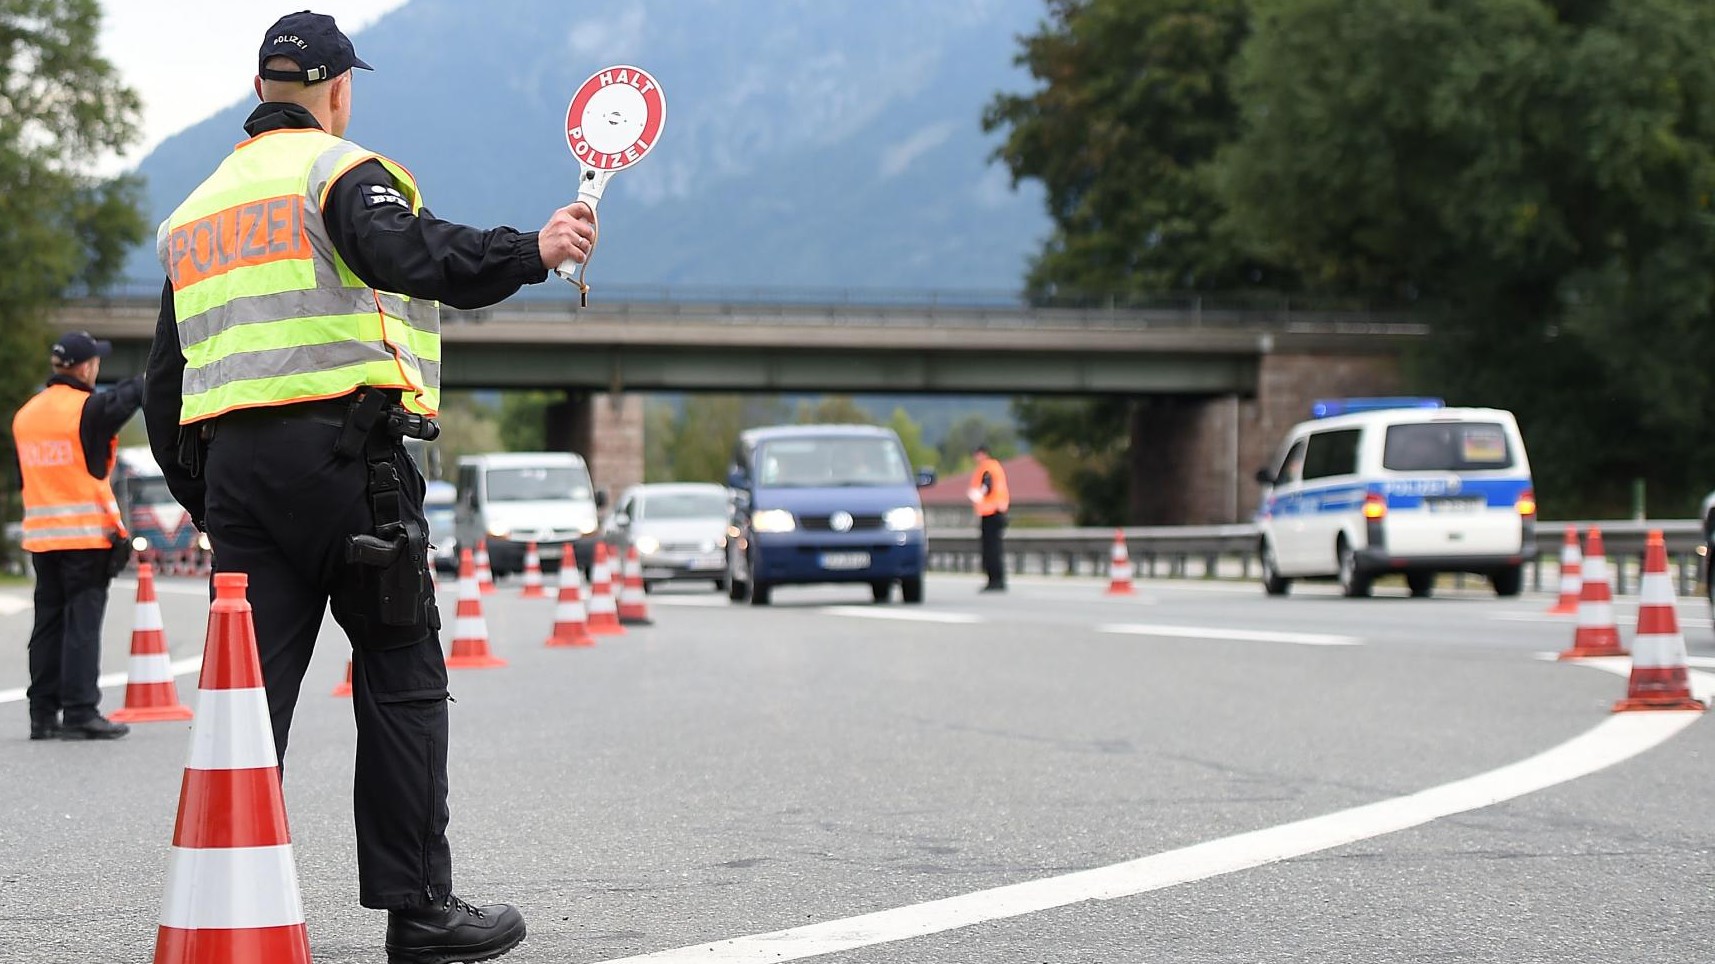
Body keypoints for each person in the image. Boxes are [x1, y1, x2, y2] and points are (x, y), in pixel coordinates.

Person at [141, 12, 597, 963]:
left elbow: (163, 380)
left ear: (260, 88)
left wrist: (208, 492)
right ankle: (419, 911)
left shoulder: (194, 213)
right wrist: (533, 250)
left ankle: (223, 907)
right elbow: (410, 255)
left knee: (246, 696)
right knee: (399, 679)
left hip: (240, 479)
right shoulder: (342, 170)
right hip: (355, 470)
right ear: (340, 89)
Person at [13, 331, 144, 740]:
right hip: (86, 540)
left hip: (43, 540)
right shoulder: (89, 409)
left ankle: (42, 715)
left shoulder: (26, 416)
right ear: (86, 367)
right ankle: (80, 711)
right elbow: (133, 392)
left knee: (48, 626)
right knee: (81, 626)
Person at [967, 443, 1010, 592]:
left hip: (991, 512)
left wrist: (977, 495)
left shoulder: (987, 467)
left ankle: (995, 580)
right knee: (994, 548)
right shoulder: (995, 466)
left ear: (982, 454)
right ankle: (996, 579)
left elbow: (987, 485)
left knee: (991, 549)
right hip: (997, 512)